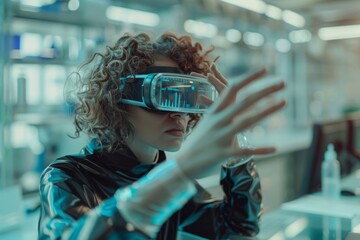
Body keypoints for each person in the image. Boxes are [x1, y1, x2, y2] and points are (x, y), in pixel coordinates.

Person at [38, 32, 285, 240]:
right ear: (117, 100)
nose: (179, 114)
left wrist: (236, 154)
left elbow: (237, 230)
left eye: (187, 97)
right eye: (164, 95)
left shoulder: (166, 174)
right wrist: (177, 173)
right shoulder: (65, 177)